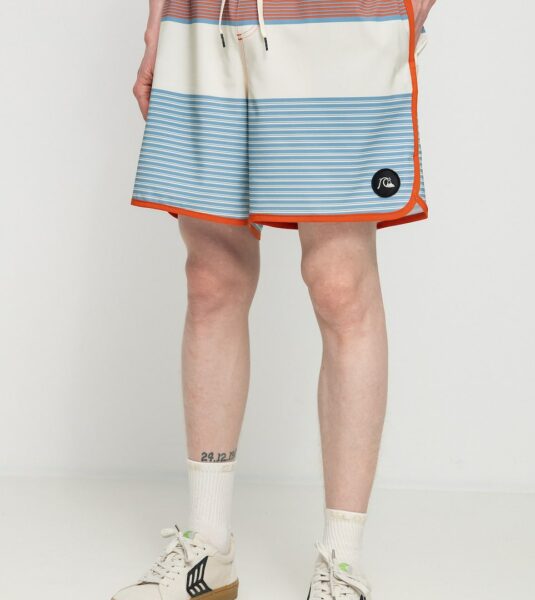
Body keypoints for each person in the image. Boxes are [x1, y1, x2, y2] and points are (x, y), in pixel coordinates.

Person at [112, 0, 435, 598]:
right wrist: (157, 21)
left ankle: (342, 560)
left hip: (337, 20)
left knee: (339, 283)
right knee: (211, 276)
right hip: (204, 17)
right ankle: (208, 548)